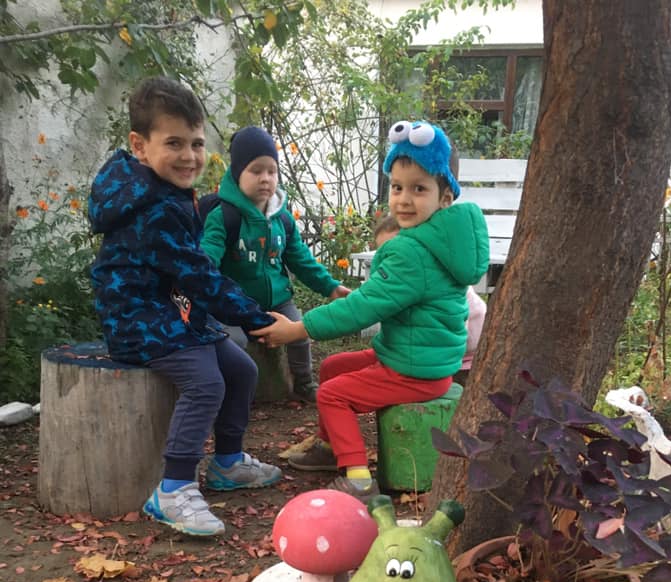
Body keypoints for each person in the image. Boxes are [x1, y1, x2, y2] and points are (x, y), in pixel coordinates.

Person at [250, 119, 490, 500]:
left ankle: (358, 475)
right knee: (331, 368)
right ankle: (330, 448)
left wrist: (298, 329)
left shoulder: (412, 251)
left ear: (445, 197)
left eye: (419, 189)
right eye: (397, 187)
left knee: (332, 394)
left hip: (413, 368)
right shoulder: (442, 241)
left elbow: (364, 308)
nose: (404, 199)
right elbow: (380, 298)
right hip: (422, 357)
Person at [88, 77, 284, 538]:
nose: (189, 156)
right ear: (140, 145)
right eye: (173, 143)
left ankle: (228, 462)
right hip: (136, 320)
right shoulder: (153, 207)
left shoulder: (159, 191)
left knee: (242, 371)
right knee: (206, 382)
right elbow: (199, 275)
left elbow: (184, 271)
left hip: (170, 310)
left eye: (196, 143)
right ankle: (173, 487)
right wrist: (255, 317)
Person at [200, 125, 351, 403]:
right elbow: (206, 258)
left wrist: (330, 286)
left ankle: (303, 382)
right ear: (237, 172)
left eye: (272, 171)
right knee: (233, 343)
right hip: (234, 305)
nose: (265, 179)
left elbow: (300, 258)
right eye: (256, 171)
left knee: (299, 330)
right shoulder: (224, 216)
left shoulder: (281, 218)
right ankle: (232, 396)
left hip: (277, 301)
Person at [372, 213, 487, 387]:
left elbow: (452, 336)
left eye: (394, 254)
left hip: (462, 362)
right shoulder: (412, 281)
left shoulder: (443, 287)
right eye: (383, 254)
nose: (387, 262)